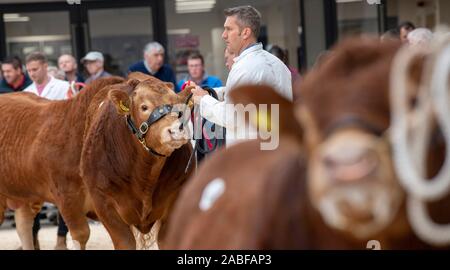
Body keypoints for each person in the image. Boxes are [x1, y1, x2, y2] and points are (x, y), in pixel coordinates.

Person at [191, 5, 293, 147]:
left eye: (229, 29)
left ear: (245, 33)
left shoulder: (245, 67)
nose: (223, 35)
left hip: (252, 157)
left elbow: (231, 117)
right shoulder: (278, 65)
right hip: (277, 151)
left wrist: (203, 100)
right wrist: (217, 92)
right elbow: (256, 97)